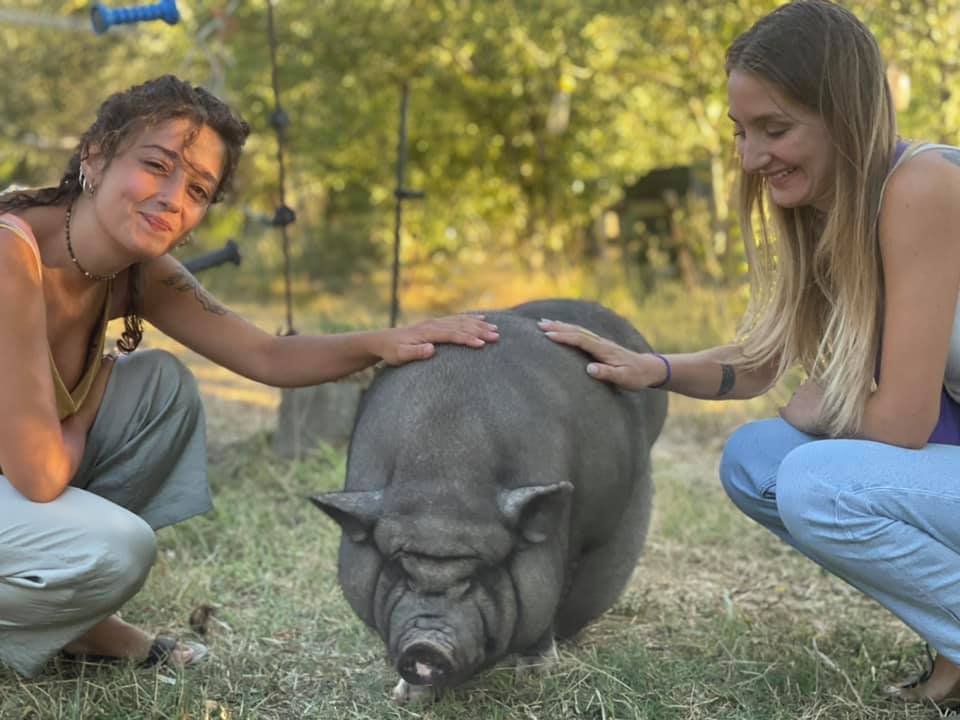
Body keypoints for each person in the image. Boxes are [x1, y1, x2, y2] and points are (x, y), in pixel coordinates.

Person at [0, 75, 499, 677]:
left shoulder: (136, 271)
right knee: (116, 547)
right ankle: (67, 615)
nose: (171, 198)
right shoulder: (12, 255)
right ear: (97, 155)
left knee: (159, 385)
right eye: (156, 166)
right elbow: (39, 474)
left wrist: (387, 342)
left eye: (198, 189)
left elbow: (265, 355)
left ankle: (71, 619)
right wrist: (85, 407)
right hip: (25, 478)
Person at [540, 0, 960, 709]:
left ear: (847, 116)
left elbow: (901, 426)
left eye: (776, 129)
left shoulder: (923, 186)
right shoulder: (832, 210)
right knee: (756, 460)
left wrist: (826, 403)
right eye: (741, 131)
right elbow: (764, 362)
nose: (750, 157)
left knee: (815, 483)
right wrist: (656, 369)